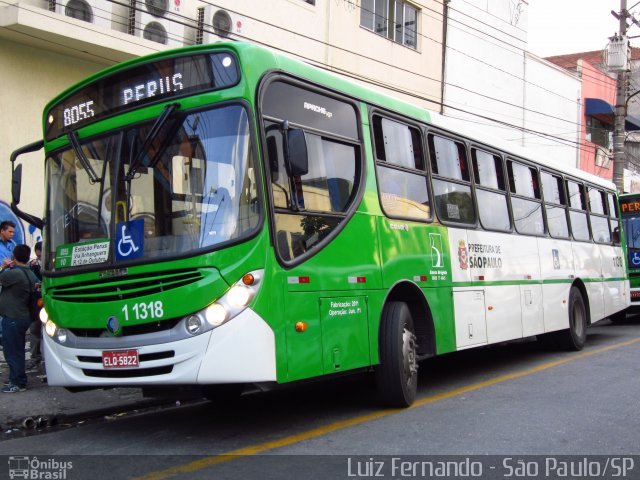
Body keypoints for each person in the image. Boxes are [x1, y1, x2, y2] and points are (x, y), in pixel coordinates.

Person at [0, 244, 39, 393]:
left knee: (13, 352)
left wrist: (4, 267)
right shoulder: (29, 272)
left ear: (13, 257)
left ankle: (18, 383)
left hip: (13, 318)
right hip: (23, 316)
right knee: (17, 351)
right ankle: (16, 379)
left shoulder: (14, 273)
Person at [27, 241, 43, 370]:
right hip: (42, 301)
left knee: (35, 331)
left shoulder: (32, 264)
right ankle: (39, 358)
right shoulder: (34, 264)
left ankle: (35, 357)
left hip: (36, 303)